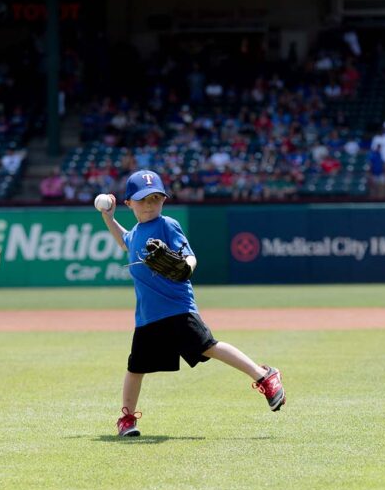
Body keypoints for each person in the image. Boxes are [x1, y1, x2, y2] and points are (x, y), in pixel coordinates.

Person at [96, 169, 286, 437]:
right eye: (143, 199)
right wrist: (108, 217)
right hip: (148, 316)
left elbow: (189, 255)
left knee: (208, 346)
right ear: (129, 203)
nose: (150, 204)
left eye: (155, 198)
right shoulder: (136, 232)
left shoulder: (167, 224)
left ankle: (264, 375)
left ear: (163, 200)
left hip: (177, 308)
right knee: (136, 367)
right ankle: (127, 419)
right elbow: (125, 241)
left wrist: (186, 267)